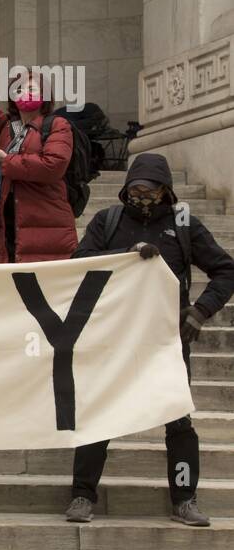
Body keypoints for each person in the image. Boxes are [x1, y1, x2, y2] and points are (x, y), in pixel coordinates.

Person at [65, 153, 234, 527]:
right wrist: (124, 255)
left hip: (167, 340)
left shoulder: (185, 226)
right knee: (100, 415)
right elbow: (78, 265)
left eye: (150, 191)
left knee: (178, 421)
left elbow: (226, 270)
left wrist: (201, 311)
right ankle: (82, 495)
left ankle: (185, 499)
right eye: (135, 191)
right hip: (116, 336)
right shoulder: (108, 222)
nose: (142, 198)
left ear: (166, 192)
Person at [0, 73, 78, 262]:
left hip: (46, 228)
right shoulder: (7, 126)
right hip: (7, 230)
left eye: (32, 89)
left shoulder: (57, 125)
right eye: (19, 90)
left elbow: (53, 165)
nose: (25, 93)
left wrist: (6, 160)